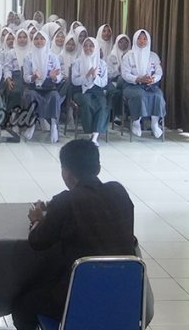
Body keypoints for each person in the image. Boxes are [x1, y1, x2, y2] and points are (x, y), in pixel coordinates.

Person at [11, 140, 135, 330]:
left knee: (22, 305)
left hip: (80, 296)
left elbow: (38, 241)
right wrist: (54, 206)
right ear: (98, 168)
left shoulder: (66, 201)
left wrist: (36, 220)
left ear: (65, 172)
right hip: (125, 294)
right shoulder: (119, 191)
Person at [120, 29, 166, 138]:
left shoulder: (153, 56)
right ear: (135, 40)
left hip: (150, 85)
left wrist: (153, 79)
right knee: (140, 96)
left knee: (158, 96)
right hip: (132, 85)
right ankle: (136, 123)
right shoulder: (128, 56)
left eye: (145, 39)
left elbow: (159, 72)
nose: (142, 41)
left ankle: (155, 124)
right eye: (139, 38)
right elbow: (125, 74)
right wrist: (139, 79)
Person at [21, 31, 63, 142]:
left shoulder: (53, 57)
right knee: (31, 95)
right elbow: (26, 77)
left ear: (47, 41)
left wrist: (54, 77)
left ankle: (53, 125)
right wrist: (34, 76)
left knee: (55, 97)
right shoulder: (28, 57)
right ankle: (32, 123)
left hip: (49, 88)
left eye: (42, 38)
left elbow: (59, 77)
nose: (39, 41)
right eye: (36, 38)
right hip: (33, 87)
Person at [71, 37, 109, 145]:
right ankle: (89, 132)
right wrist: (86, 76)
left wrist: (95, 77)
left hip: (97, 91)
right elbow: (74, 81)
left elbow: (104, 82)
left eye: (91, 46)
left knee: (102, 105)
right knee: (87, 104)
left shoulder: (102, 64)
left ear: (96, 48)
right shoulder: (77, 62)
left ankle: (95, 136)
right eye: (85, 45)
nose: (88, 48)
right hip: (81, 91)